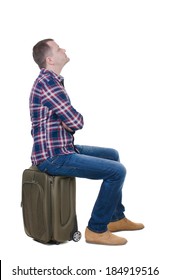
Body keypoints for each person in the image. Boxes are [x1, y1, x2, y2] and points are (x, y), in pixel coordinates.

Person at [29, 38, 144, 246]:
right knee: (117, 171)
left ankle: (115, 218)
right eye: (58, 48)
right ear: (49, 59)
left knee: (112, 154)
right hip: (54, 157)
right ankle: (96, 229)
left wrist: (68, 123)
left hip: (63, 147)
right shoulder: (47, 83)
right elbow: (76, 121)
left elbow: (69, 122)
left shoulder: (53, 81)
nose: (63, 49)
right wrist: (70, 123)